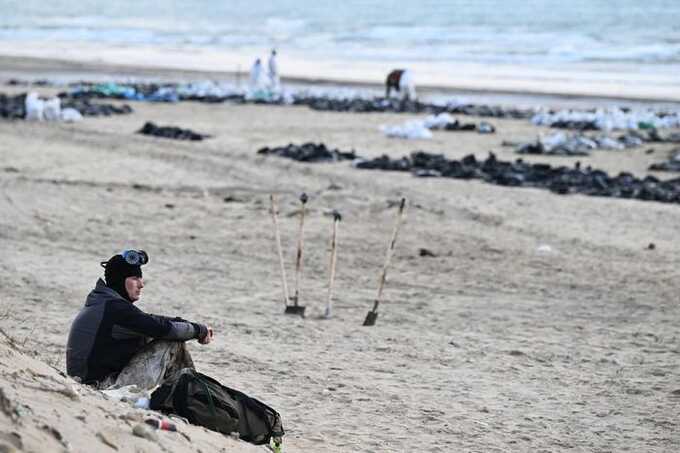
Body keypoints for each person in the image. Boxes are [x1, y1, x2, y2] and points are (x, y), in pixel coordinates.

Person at [66, 250, 213, 389]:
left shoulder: (106, 304)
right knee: (172, 343)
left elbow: (151, 320)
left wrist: (189, 325)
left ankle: (187, 394)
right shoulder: (116, 309)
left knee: (155, 335)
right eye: (135, 278)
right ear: (120, 280)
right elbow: (163, 329)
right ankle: (191, 396)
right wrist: (199, 331)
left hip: (91, 381)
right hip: (100, 386)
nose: (141, 284)